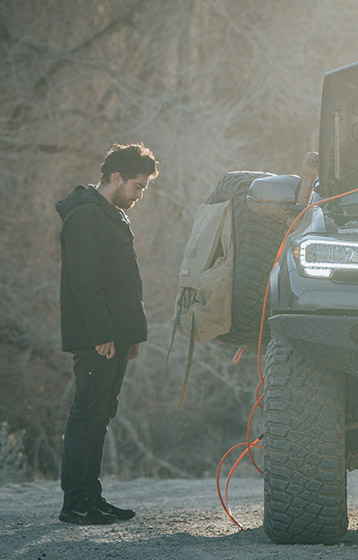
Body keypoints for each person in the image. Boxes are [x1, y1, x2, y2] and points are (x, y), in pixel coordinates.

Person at [55, 143, 159, 525]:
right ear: (115, 178)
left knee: (99, 415)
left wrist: (130, 336)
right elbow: (86, 281)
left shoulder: (110, 214)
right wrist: (102, 334)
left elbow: (122, 281)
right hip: (96, 337)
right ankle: (75, 503)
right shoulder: (85, 216)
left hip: (115, 336)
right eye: (136, 185)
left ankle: (92, 498)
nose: (139, 194)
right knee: (86, 415)